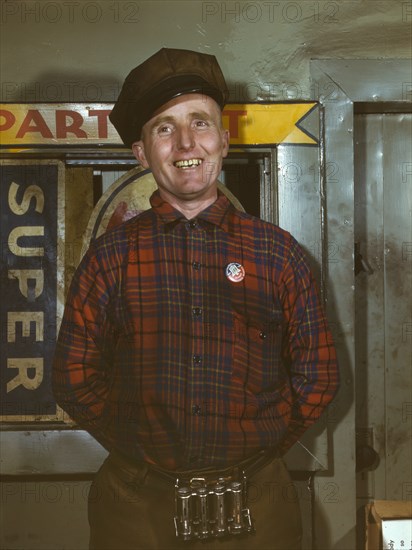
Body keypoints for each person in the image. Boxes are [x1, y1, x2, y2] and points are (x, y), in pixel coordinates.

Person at [53, 48, 339, 550]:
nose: (186, 142)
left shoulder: (279, 255)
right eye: (164, 128)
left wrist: (260, 441)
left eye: (199, 123)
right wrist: (140, 450)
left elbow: (318, 378)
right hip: (135, 510)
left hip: (260, 505)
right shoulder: (110, 257)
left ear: (224, 140)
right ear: (142, 153)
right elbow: (73, 380)